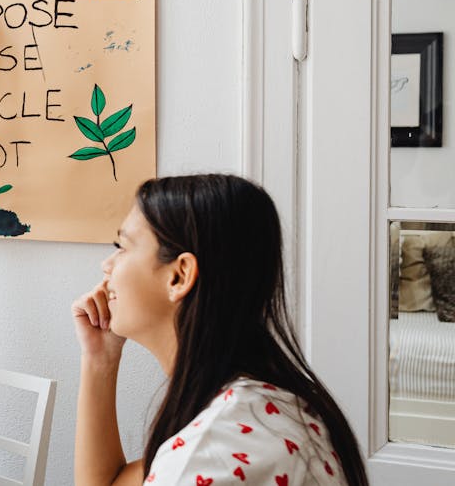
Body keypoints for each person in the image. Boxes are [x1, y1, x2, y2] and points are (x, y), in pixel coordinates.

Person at [71, 174, 369, 486]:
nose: (107, 264)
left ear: (179, 276)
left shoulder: (215, 450)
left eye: (122, 246)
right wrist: (99, 358)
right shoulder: (259, 407)